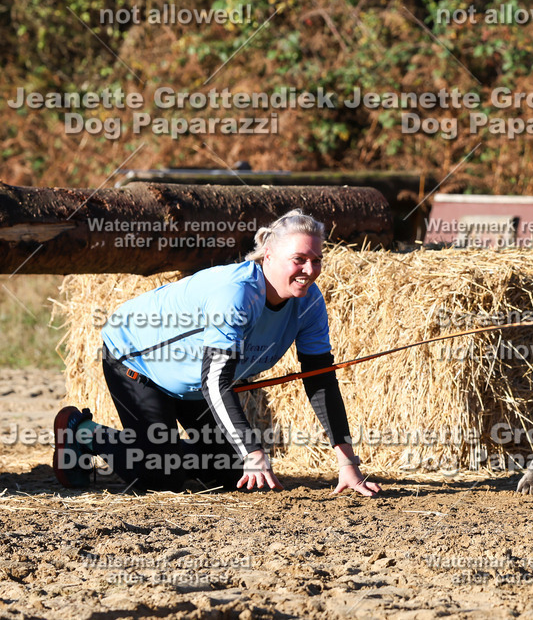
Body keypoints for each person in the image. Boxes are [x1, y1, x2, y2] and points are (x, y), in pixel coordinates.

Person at [53, 209, 380, 497]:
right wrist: (253, 451)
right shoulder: (236, 295)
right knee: (162, 477)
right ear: (267, 255)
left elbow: (320, 380)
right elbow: (216, 382)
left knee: (232, 474)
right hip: (138, 361)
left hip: (196, 382)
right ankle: (83, 432)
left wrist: (348, 463)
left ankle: (170, 453)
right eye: (299, 259)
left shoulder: (310, 301)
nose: (310, 270)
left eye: (317, 260)